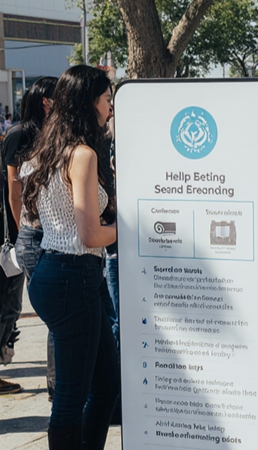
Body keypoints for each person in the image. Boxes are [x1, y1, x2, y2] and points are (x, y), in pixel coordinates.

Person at [23, 65, 118, 448]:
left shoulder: (50, 148)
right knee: (71, 398)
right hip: (73, 275)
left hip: (59, 272)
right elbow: (90, 234)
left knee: (105, 384)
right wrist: (132, 228)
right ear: (89, 102)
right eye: (107, 99)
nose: (110, 107)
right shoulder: (82, 155)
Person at [0, 77, 57, 395]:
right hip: (23, 235)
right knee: (10, 305)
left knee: (15, 307)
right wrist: (24, 234)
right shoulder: (19, 134)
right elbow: (14, 193)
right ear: (46, 102)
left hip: (46, 231)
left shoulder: (54, 133)